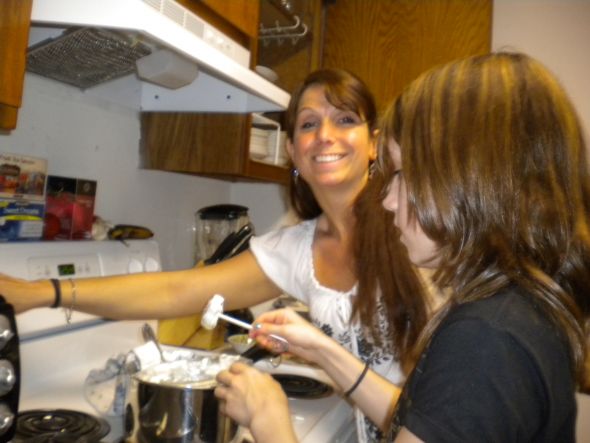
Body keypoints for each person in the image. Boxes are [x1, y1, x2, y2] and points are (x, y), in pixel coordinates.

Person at [0, 68, 427, 441]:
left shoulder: (415, 230)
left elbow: (455, 394)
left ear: (374, 144)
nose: (325, 136)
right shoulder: (298, 248)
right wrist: (43, 292)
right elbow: (177, 290)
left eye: (345, 119)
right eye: (309, 124)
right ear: (293, 151)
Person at [215, 52, 590, 442]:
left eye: (402, 173)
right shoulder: (511, 306)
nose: (389, 198)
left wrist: (268, 418)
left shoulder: (485, 342)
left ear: (468, 175)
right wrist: (322, 349)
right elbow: (432, 419)